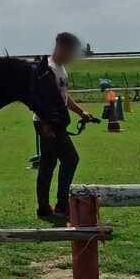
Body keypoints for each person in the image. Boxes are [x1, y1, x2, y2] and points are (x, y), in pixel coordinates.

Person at [34, 32, 95, 219]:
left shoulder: (60, 69)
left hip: (55, 121)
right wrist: (45, 124)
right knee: (70, 159)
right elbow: (39, 99)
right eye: (71, 52)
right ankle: (61, 206)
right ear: (61, 48)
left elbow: (63, 96)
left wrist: (81, 112)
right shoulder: (48, 69)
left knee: (48, 164)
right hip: (48, 122)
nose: (72, 56)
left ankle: (44, 208)